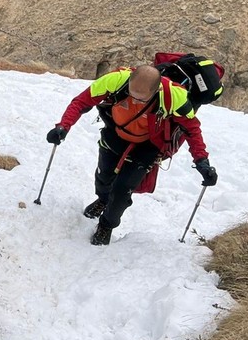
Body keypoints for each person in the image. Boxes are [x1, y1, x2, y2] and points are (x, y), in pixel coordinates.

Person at [46, 65, 217, 246]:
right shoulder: (114, 81)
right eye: (131, 94)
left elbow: (192, 130)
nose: (135, 100)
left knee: (123, 188)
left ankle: (107, 224)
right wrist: (62, 127)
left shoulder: (174, 97)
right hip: (115, 132)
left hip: (149, 144)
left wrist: (202, 161)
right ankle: (103, 199)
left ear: (156, 90)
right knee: (104, 176)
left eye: (141, 99)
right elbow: (81, 102)